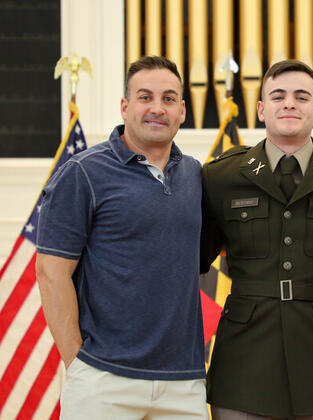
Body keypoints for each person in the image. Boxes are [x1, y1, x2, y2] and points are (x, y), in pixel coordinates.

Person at [36, 56, 208, 419]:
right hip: (104, 381)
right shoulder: (82, 173)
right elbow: (51, 272)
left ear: (182, 111)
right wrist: (79, 363)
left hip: (183, 383)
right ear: (125, 106)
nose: (157, 108)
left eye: (168, 98)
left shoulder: (195, 175)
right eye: (145, 97)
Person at [200, 59, 313, 419]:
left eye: (301, 96)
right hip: (245, 357)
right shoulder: (221, 177)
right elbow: (195, 257)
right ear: (261, 109)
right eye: (278, 96)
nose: (289, 104)